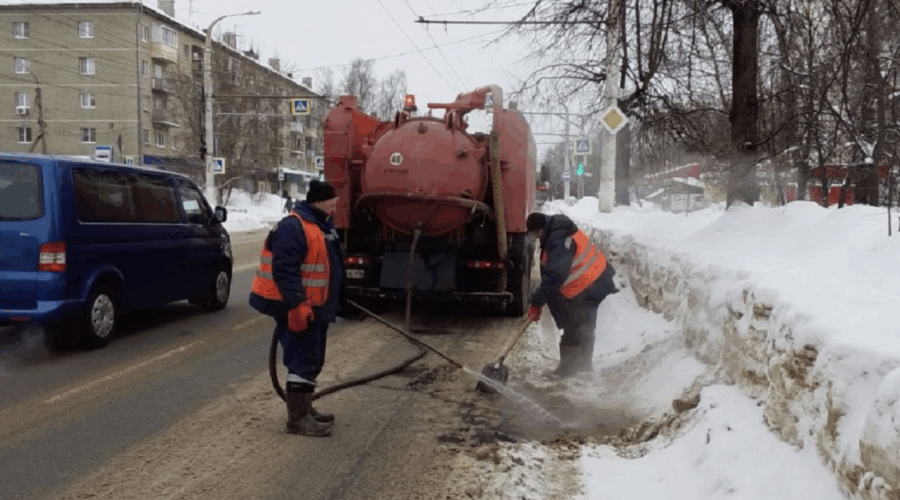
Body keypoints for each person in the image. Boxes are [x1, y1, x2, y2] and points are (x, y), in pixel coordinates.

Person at [250, 180, 346, 437]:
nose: (336, 204)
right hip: (297, 306)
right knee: (302, 358)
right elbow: (285, 269)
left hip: (316, 304)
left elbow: (328, 265)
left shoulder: (321, 225)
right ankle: (297, 419)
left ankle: (305, 408)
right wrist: (296, 304)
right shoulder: (293, 227)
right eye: (332, 200)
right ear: (318, 201)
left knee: (312, 358)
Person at [525, 212, 618, 378]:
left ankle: (570, 371)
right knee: (583, 326)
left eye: (535, 233)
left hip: (590, 285)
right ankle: (581, 369)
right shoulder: (556, 231)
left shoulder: (557, 239)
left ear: (540, 230)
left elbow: (555, 274)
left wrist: (537, 302)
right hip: (591, 283)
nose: (536, 237)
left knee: (576, 327)